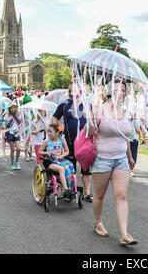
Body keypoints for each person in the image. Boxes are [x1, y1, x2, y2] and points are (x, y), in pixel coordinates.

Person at [86, 79, 138, 245]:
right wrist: (93, 119)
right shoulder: (100, 109)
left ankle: (124, 233)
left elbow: (126, 136)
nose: (120, 93)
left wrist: (130, 156)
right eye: (116, 90)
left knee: (121, 195)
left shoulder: (127, 112)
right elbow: (90, 132)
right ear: (109, 92)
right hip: (102, 159)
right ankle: (98, 222)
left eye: (122, 90)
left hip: (121, 159)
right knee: (100, 195)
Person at [53, 83, 91, 202]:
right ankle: (70, 191)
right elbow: (54, 119)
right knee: (70, 169)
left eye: (74, 91)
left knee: (86, 169)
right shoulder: (64, 106)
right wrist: (60, 130)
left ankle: (87, 193)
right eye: (69, 91)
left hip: (85, 144)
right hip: (70, 144)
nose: (71, 94)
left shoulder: (87, 105)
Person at [39, 123, 74, 197]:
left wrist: (61, 155)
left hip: (60, 160)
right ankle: (65, 190)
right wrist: (47, 153)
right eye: (47, 131)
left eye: (50, 131)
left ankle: (70, 187)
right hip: (51, 162)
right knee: (61, 169)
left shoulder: (62, 140)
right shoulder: (46, 141)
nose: (48, 133)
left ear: (57, 132)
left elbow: (67, 151)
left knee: (70, 166)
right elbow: (40, 152)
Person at [0, 101, 23, 170]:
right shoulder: (7, 116)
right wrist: (3, 126)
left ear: (16, 108)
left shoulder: (19, 115)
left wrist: (19, 130)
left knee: (18, 148)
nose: (13, 109)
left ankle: (17, 162)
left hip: (17, 133)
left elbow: (22, 124)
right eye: (11, 108)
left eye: (14, 107)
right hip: (9, 133)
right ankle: (12, 163)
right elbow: (4, 125)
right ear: (9, 108)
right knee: (12, 149)